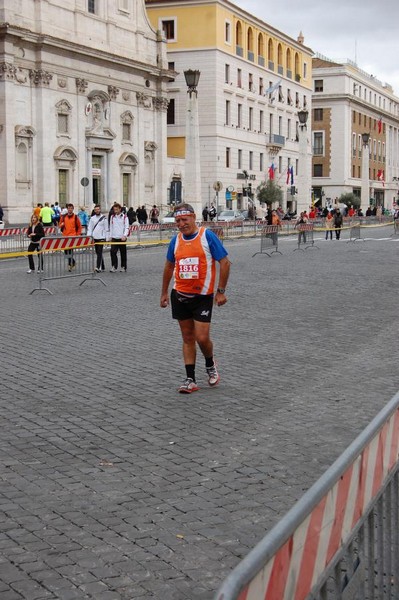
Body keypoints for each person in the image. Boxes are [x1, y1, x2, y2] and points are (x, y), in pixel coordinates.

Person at [160, 202, 230, 394]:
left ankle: (210, 363)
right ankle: (190, 379)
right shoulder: (176, 240)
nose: (181, 224)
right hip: (180, 295)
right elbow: (168, 266)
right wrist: (164, 292)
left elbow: (224, 263)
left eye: (184, 219)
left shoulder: (206, 236)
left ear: (193, 217)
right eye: (178, 221)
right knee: (188, 337)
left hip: (202, 296)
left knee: (201, 337)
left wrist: (221, 291)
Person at [59, 203, 82, 270]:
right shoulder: (64, 217)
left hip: (72, 236)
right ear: (67, 209)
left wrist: (77, 235)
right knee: (66, 251)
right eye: (69, 208)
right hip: (65, 236)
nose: (70, 209)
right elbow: (59, 225)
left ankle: (70, 264)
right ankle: (72, 262)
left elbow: (79, 226)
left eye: (71, 208)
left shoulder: (75, 217)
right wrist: (62, 225)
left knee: (70, 251)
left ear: (73, 209)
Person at [108, 202, 129, 272]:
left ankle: (123, 266)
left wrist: (125, 235)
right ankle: (114, 266)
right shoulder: (112, 217)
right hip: (114, 237)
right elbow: (111, 227)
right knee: (112, 252)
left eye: (116, 209)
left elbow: (127, 227)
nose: (115, 211)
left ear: (120, 209)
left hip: (121, 237)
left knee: (123, 253)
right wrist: (110, 236)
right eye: (114, 210)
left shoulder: (125, 217)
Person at [87, 204, 108, 272]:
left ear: (100, 210)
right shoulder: (92, 218)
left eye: (98, 209)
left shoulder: (104, 218)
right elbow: (90, 228)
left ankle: (97, 267)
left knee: (99, 252)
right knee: (98, 252)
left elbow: (106, 229)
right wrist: (89, 236)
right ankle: (103, 266)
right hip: (94, 237)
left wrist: (106, 238)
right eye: (96, 210)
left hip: (101, 237)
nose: (97, 211)